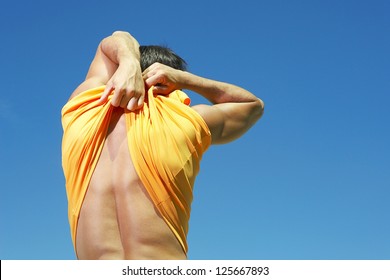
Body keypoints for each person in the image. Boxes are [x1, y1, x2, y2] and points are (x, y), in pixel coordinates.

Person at [61, 31, 264, 260]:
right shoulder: (185, 120)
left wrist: (128, 62)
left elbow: (114, 40)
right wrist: (186, 79)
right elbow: (253, 105)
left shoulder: (84, 110)